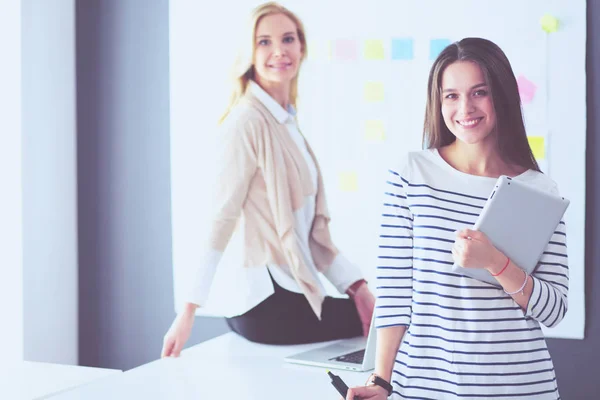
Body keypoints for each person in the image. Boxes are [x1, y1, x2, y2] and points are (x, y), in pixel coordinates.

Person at [346, 37, 568, 399]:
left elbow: (555, 309)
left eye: (479, 92)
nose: (465, 107)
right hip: (423, 387)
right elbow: (395, 294)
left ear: (502, 95)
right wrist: (381, 381)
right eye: (451, 95)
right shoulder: (411, 174)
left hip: (521, 388)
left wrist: (496, 262)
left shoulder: (540, 190)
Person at [161, 2, 375, 358]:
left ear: (302, 48)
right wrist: (188, 311)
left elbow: (312, 232)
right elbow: (220, 219)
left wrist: (357, 285)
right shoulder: (246, 122)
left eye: (288, 39)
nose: (279, 50)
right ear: (249, 53)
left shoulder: (286, 124)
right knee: (396, 319)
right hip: (265, 304)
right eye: (264, 42)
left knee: (385, 314)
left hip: (286, 295)